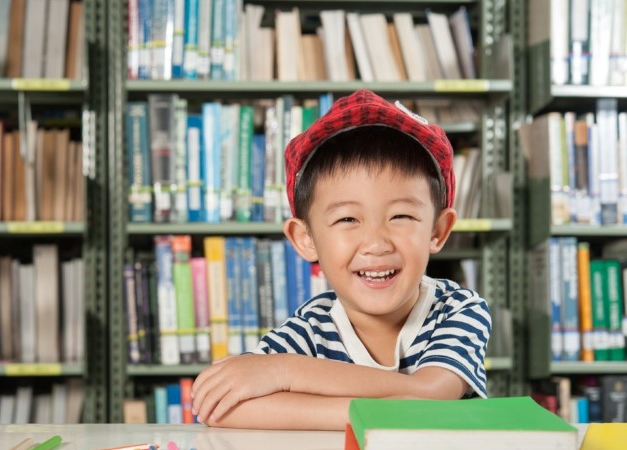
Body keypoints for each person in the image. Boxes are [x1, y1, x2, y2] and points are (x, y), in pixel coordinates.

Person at [190, 89, 492, 430]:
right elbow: (222, 408)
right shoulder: (313, 326)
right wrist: (386, 410)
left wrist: (286, 372)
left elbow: (432, 392)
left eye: (401, 216)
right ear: (305, 239)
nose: (376, 244)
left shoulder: (459, 309)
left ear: (438, 230)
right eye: (347, 219)